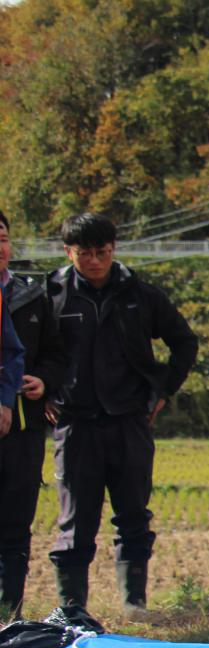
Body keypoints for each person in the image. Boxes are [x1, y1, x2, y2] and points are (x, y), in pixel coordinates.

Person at [46, 212, 198, 613]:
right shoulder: (53, 296)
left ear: (114, 250)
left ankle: (134, 603)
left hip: (130, 421)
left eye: (103, 252)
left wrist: (163, 389)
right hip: (75, 423)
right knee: (75, 521)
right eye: (85, 254)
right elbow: (35, 352)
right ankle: (72, 607)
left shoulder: (140, 295)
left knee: (133, 514)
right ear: (68, 252)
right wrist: (43, 390)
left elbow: (184, 342)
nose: (95, 261)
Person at [0, 210, 55, 618]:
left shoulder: (32, 296)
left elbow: (57, 354)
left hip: (21, 426)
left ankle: (9, 614)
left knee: (15, 526)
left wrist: (44, 381)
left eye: (2, 238)